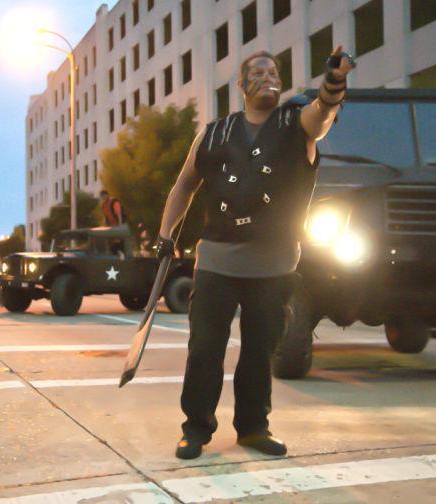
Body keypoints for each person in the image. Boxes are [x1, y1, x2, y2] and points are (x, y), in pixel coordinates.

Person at [156, 46, 355, 460]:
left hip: (273, 262)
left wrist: (334, 81)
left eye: (274, 71)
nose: (268, 76)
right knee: (205, 349)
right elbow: (183, 186)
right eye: (258, 71)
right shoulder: (212, 133)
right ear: (241, 85)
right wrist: (165, 235)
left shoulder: (297, 123)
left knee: (260, 351)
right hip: (217, 260)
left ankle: (253, 427)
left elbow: (324, 114)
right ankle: (195, 429)